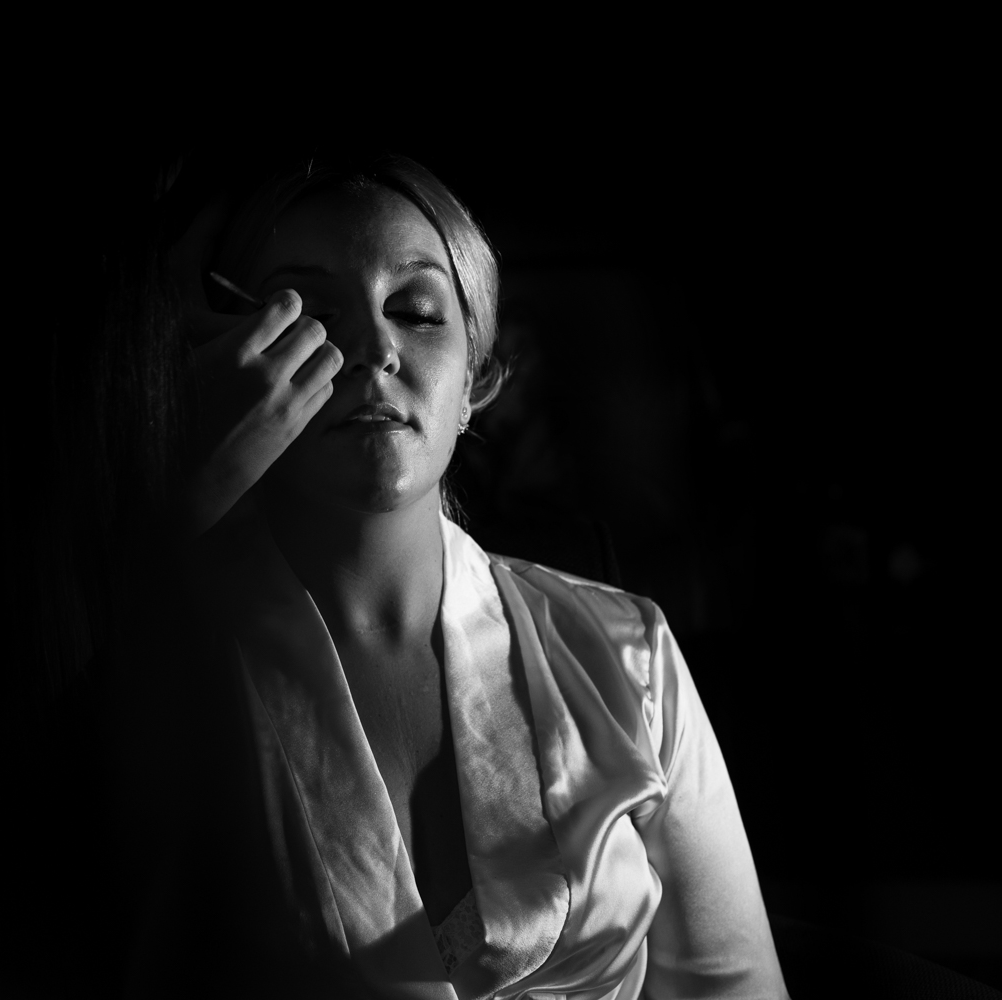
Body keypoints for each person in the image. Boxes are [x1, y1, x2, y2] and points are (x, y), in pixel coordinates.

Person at [148, 149, 789, 999]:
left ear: (476, 383)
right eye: (306, 311)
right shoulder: (158, 648)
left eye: (415, 310)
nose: (374, 346)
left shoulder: (628, 653)